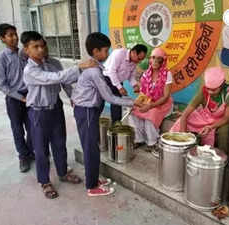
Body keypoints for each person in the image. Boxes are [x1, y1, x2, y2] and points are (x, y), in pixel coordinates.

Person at [22, 31, 95, 199]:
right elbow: (52, 78)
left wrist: (73, 97)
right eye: (36, 47)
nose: (41, 49)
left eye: (43, 45)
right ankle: (44, 181)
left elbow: (65, 82)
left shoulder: (53, 62)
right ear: (27, 50)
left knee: (60, 143)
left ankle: (63, 172)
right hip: (38, 112)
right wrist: (79, 67)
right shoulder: (29, 70)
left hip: (56, 108)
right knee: (41, 149)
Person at [72, 32, 141, 197]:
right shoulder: (93, 72)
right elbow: (109, 97)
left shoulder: (97, 67)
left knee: (93, 145)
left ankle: (94, 179)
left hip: (89, 109)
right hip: (86, 111)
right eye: (105, 51)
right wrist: (132, 102)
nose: (107, 54)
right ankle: (91, 186)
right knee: (90, 149)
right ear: (95, 52)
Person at [170, 67, 229, 153]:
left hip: (224, 119)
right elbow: (185, 114)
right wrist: (184, 137)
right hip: (207, 116)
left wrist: (210, 127)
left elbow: (226, 118)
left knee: (223, 131)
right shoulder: (204, 90)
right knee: (184, 120)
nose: (210, 92)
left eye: (213, 90)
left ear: (222, 85)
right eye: (208, 88)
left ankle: (222, 158)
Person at [0, 23, 34, 172]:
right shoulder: (1, 58)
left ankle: (31, 151)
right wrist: (20, 97)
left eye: (15, 34)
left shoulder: (24, 53)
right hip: (14, 99)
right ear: (2, 38)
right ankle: (23, 156)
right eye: (10, 35)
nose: (15, 37)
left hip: (30, 95)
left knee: (32, 127)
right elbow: (1, 85)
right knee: (18, 129)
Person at [128, 48, 173, 157]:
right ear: (150, 60)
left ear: (164, 61)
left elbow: (166, 97)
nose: (155, 61)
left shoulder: (167, 74)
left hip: (163, 104)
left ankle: (152, 142)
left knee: (151, 115)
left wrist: (150, 106)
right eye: (153, 57)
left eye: (159, 59)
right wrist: (138, 103)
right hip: (148, 102)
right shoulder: (146, 74)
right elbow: (143, 94)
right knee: (133, 112)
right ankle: (139, 139)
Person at [102, 44, 147, 123]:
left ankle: (116, 125)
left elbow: (131, 76)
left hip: (118, 81)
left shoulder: (134, 61)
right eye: (139, 58)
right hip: (106, 79)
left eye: (141, 60)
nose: (139, 61)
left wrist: (135, 85)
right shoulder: (119, 54)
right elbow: (112, 71)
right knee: (101, 100)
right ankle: (97, 120)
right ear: (133, 52)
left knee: (117, 102)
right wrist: (120, 87)